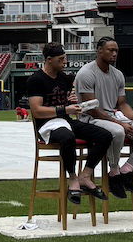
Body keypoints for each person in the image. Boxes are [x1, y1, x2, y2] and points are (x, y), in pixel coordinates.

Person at [74, 37, 133, 198]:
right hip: (91, 119)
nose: (115, 54)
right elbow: (92, 109)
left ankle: (127, 169)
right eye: (111, 50)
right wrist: (120, 123)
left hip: (113, 117)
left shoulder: (118, 74)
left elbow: (122, 104)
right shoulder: (86, 73)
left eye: (116, 51)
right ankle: (114, 172)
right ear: (99, 50)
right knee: (118, 131)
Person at [26, 42, 110, 203]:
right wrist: (65, 109)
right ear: (49, 60)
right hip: (47, 124)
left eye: (65, 58)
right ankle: (72, 177)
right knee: (67, 137)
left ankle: (85, 175)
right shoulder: (36, 79)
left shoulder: (65, 78)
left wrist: (73, 101)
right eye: (61, 59)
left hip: (65, 120)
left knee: (104, 135)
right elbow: (37, 111)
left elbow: (68, 102)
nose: (65, 62)